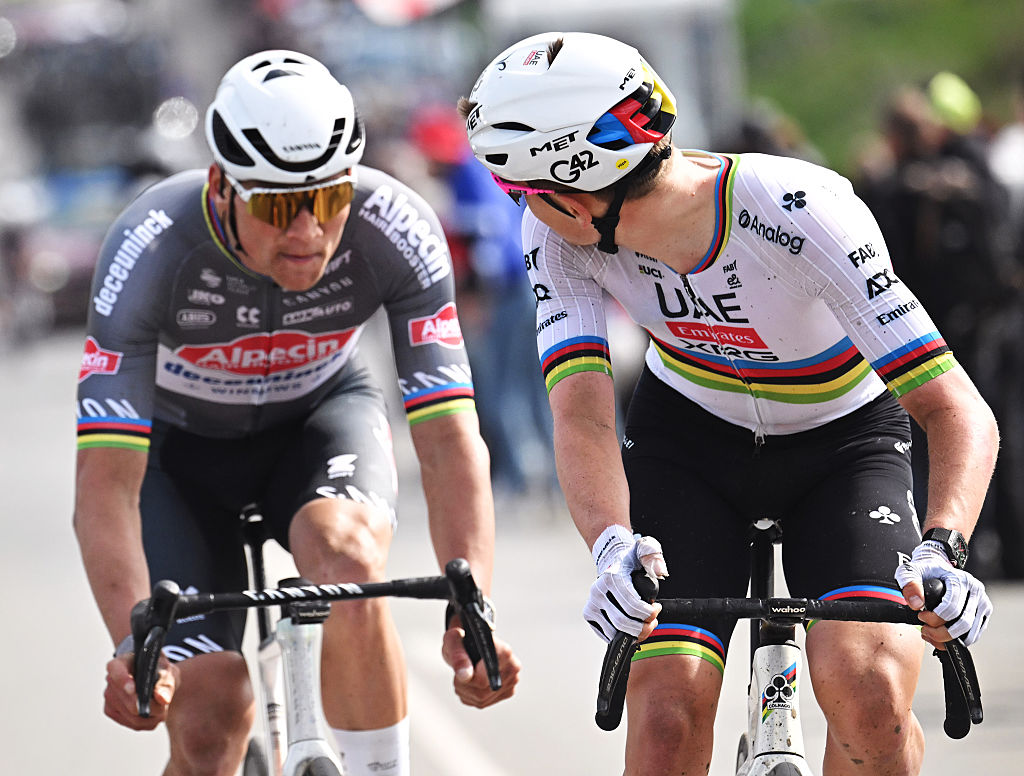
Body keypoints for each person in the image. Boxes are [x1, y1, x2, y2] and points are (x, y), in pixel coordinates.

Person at [460, 32, 996, 775]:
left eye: (518, 190)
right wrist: (611, 543)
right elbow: (582, 412)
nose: (521, 208)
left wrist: (946, 547)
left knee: (869, 692)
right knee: (664, 721)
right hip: (691, 446)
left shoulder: (800, 212)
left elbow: (956, 408)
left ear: (576, 194)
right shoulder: (558, 241)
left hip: (842, 446)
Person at [73, 49, 519, 776]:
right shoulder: (151, 245)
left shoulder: (397, 226)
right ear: (223, 187)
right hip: (178, 457)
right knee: (210, 713)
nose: (309, 231)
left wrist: (472, 608)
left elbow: (448, 439)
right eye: (279, 206)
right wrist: (134, 645)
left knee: (345, 558)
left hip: (319, 424)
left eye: (331, 199)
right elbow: (105, 482)